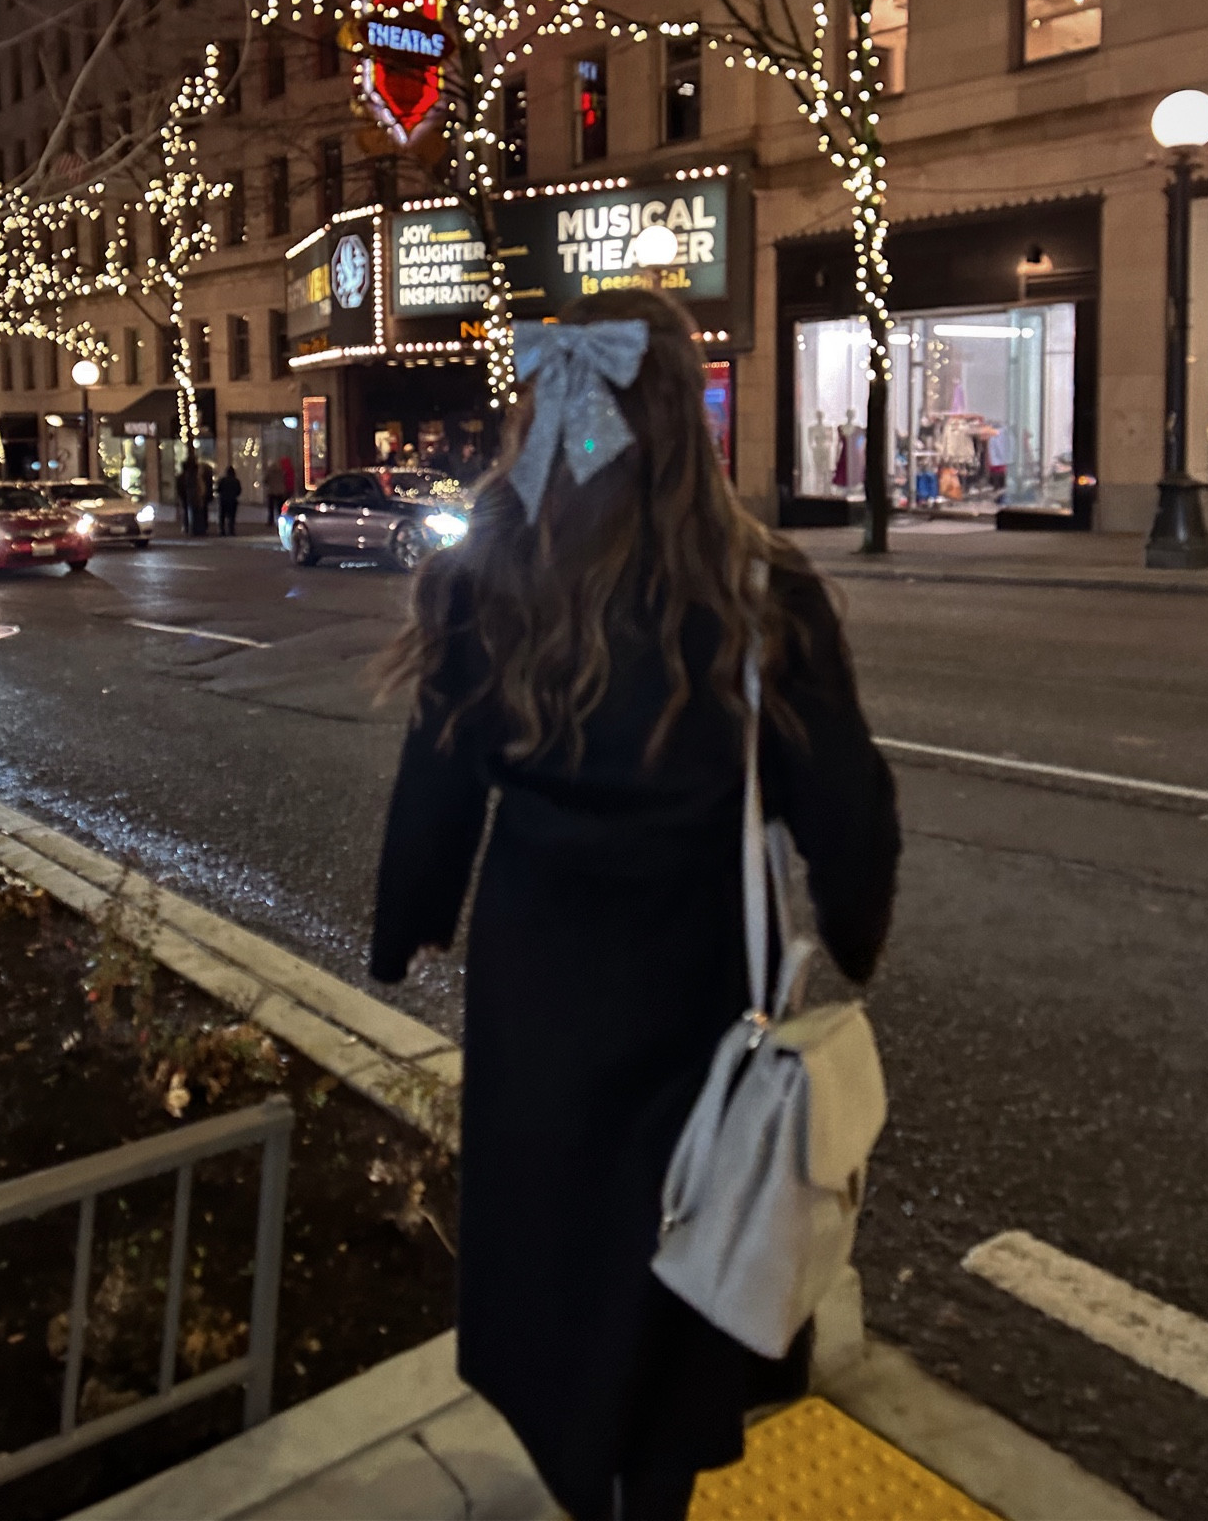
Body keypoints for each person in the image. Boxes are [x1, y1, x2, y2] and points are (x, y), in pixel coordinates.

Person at [371, 290, 900, 1521]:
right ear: (684, 413)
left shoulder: (487, 576)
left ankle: (579, 1464)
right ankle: (651, 1478)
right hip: (689, 966)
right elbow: (847, 802)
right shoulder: (761, 589)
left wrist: (410, 918)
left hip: (539, 963)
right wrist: (856, 922)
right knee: (681, 1221)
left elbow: (437, 776)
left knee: (556, 1224)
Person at [176, 452, 200, 536]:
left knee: (187, 512)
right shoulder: (193, 477)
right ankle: (191, 528)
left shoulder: (182, 477)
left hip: (185, 496)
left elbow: (179, 487)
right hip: (190, 496)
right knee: (191, 511)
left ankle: (188, 527)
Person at [263, 455, 289, 527]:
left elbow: (265, 481)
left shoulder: (270, 472)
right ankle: (281, 521)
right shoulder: (281, 471)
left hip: (272, 491)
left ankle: (270, 521)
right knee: (279, 508)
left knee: (271, 508)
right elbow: (284, 480)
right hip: (280, 491)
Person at [217, 462, 241, 535]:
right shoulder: (236, 481)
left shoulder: (223, 480)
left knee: (222, 516)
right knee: (231, 516)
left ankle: (222, 530)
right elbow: (238, 491)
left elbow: (218, 489)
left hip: (223, 500)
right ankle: (231, 530)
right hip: (232, 500)